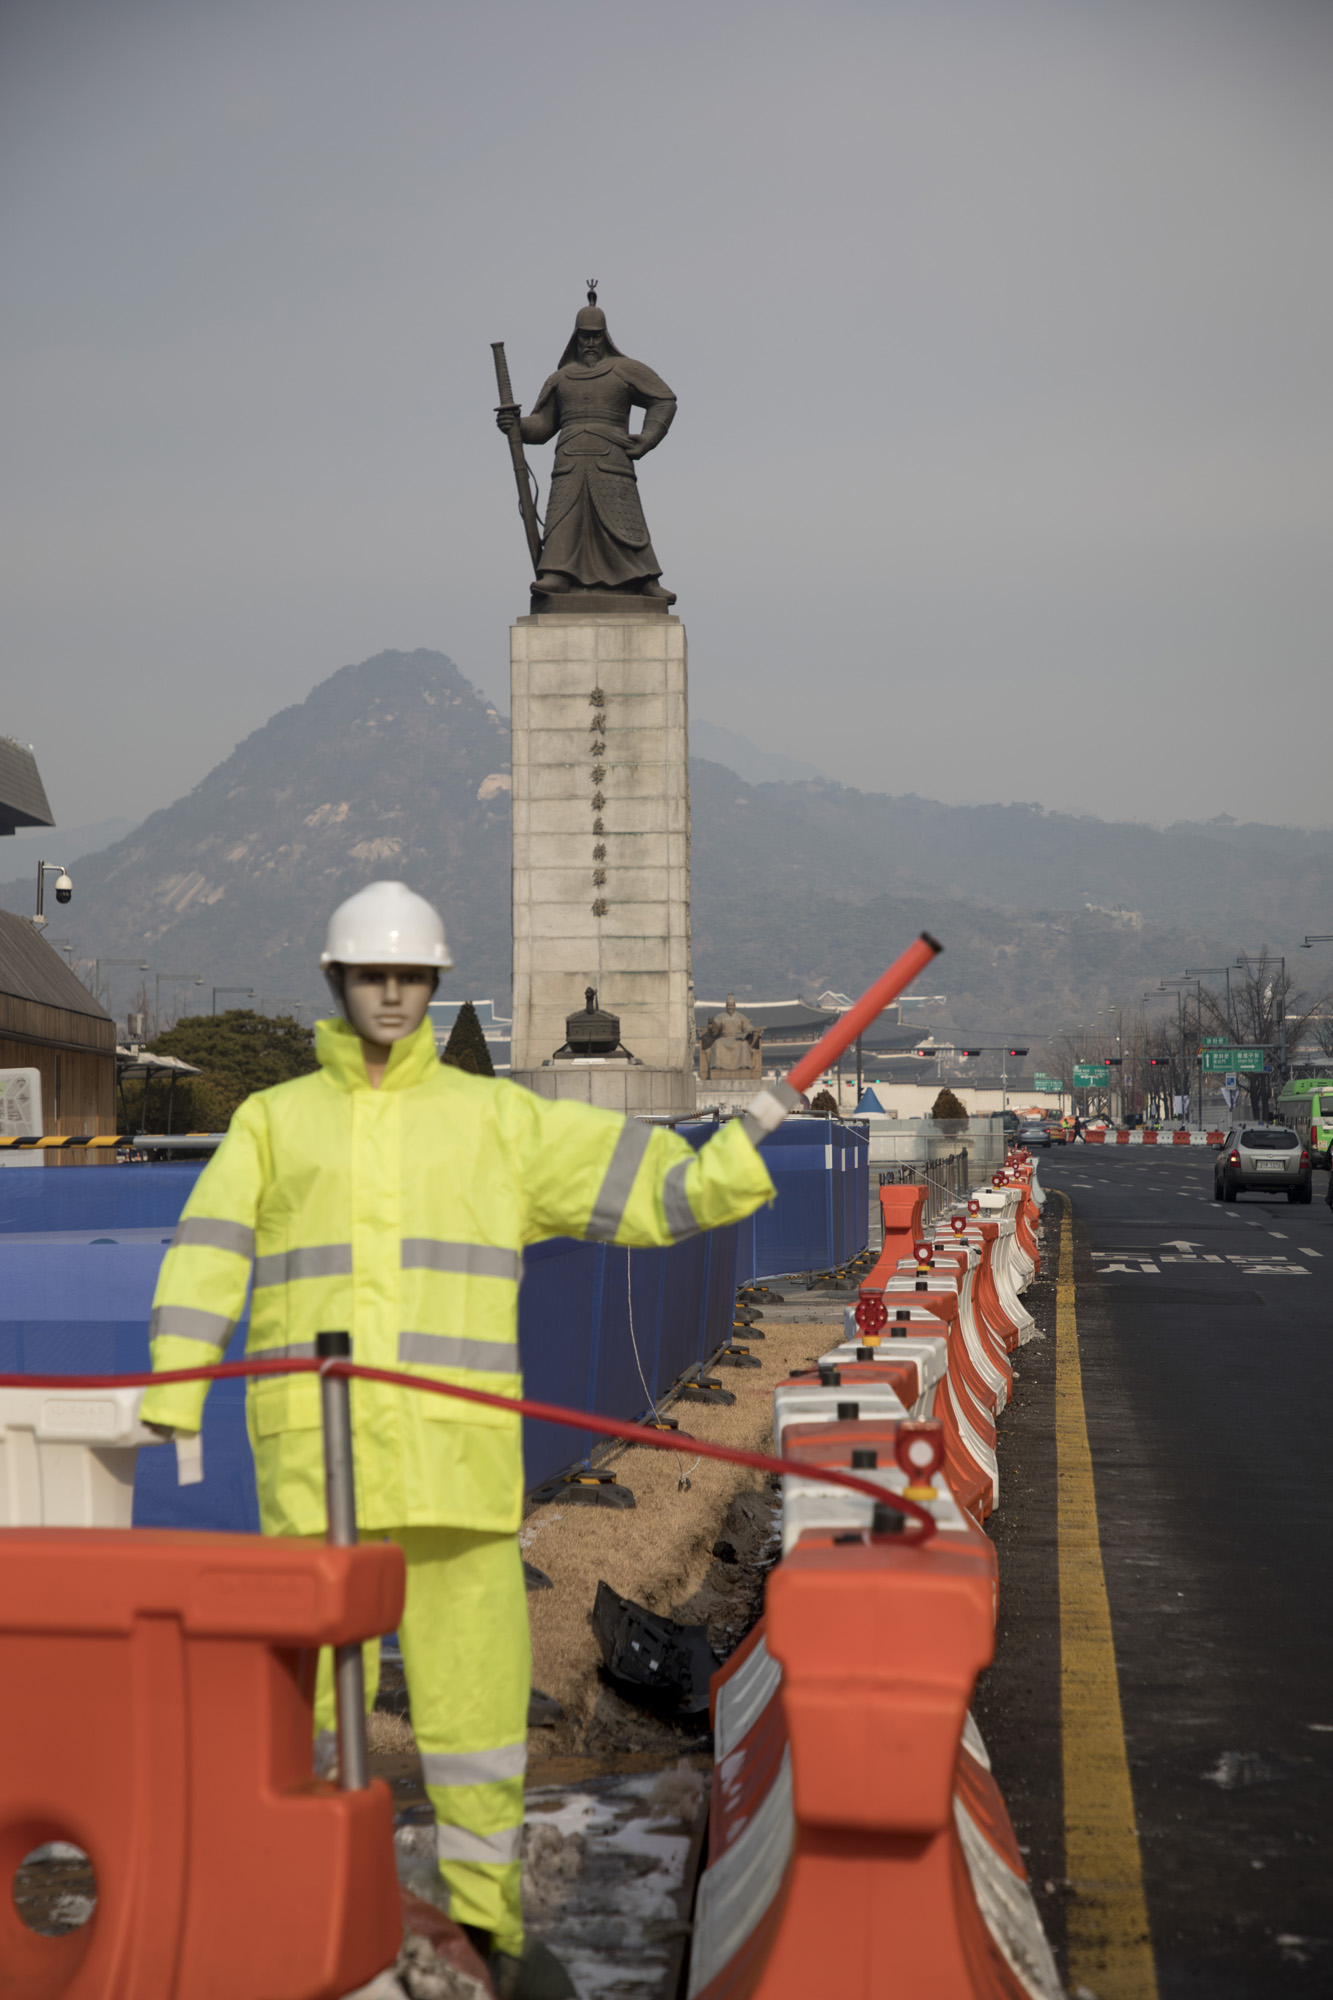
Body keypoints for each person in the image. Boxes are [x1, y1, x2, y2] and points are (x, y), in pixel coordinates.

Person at [139, 882, 794, 2000]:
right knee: (301, 1702)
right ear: (338, 984)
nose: (391, 992)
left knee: (478, 1707)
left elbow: (644, 1186)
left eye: (410, 976)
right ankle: (300, 1895)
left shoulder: (498, 1121)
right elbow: (208, 1250)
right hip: (321, 1466)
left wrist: (735, 1151)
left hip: (456, 1465)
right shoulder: (276, 1120)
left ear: (433, 985)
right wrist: (176, 1385)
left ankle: (483, 1918)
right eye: (371, 975)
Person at [496, 297, 676, 602]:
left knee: (623, 520)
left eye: (595, 336)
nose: (590, 343)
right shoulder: (560, 379)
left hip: (612, 459)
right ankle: (557, 573)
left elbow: (664, 399)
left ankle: (644, 578)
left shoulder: (625, 369)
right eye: (584, 336)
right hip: (569, 461)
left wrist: (647, 438)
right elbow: (543, 425)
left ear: (605, 337)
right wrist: (517, 425)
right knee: (564, 519)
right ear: (575, 338)